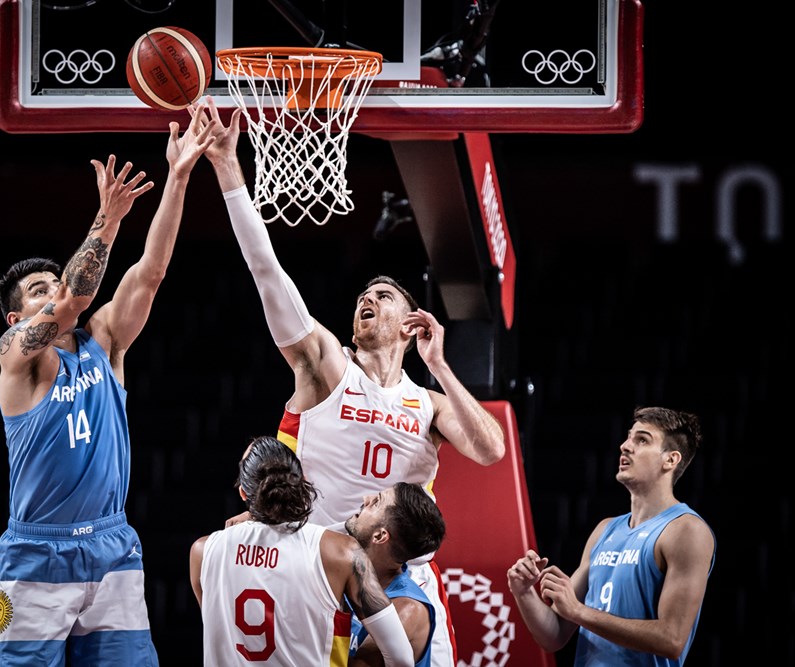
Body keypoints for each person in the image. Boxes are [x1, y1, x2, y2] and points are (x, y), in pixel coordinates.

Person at [196, 96, 507, 667]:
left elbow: (491, 450)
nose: (367, 299)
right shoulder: (327, 368)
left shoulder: (427, 403)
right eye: (363, 295)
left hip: (397, 570)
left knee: (414, 632)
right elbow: (268, 273)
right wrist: (227, 168)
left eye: (383, 296)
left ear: (412, 324)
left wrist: (439, 365)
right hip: (314, 556)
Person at [0, 109, 216, 665]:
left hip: (112, 546)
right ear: (16, 320)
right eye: (38, 292)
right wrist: (107, 217)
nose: (52, 295)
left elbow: (152, 269)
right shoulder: (15, 357)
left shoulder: (106, 343)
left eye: (53, 283)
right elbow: (75, 297)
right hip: (37, 553)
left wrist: (180, 175)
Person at [507, 406, 716, 667]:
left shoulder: (686, 530)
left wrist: (580, 611)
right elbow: (554, 635)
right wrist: (524, 591)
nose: (625, 446)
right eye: (628, 437)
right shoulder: (604, 530)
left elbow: (671, 640)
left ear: (670, 460)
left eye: (642, 440)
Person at [189, 436, 415, 667]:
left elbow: (220, 626)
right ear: (302, 481)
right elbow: (401, 658)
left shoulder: (202, 551)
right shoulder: (342, 552)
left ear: (244, 494)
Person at [345, 483, 447, 667]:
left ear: (379, 536)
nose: (365, 499)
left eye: (376, 502)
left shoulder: (407, 611)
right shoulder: (347, 568)